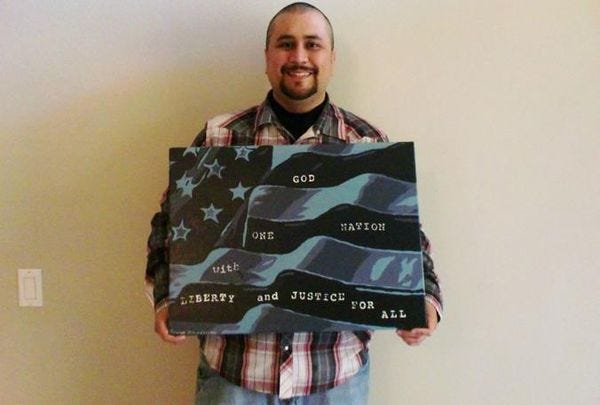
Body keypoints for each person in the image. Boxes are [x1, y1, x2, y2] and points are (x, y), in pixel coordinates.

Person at [145, 3, 443, 404]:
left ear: (331, 58)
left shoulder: (368, 144)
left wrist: (424, 300)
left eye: (312, 44)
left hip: (335, 379)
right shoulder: (219, 137)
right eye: (286, 44)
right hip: (234, 378)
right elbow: (169, 226)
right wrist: (167, 297)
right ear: (267, 57)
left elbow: (405, 237)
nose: (299, 56)